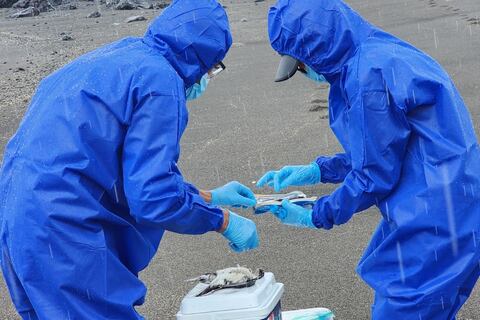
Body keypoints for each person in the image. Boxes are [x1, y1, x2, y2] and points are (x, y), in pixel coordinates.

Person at [0, 0, 259, 319]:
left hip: (18, 218)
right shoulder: (161, 83)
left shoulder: (117, 56)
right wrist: (222, 220)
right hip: (64, 231)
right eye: (215, 66)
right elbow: (152, 196)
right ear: (203, 57)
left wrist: (208, 196)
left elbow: (109, 167)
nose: (209, 75)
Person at [257, 0, 480, 319]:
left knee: (404, 307)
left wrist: (319, 213)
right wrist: (317, 171)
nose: (306, 73)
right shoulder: (376, 53)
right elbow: (385, 149)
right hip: (452, 204)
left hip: (434, 221)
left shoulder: (367, 76)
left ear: (317, 50)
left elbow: (375, 173)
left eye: (302, 66)